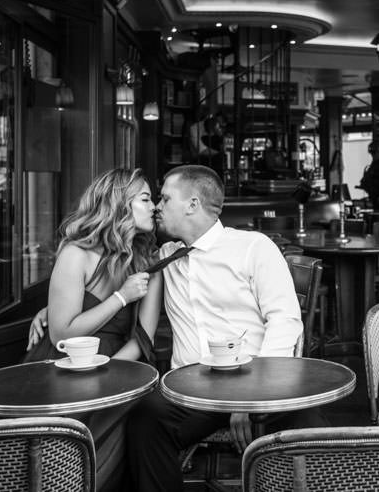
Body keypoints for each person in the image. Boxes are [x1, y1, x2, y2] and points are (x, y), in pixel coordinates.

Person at [125, 164, 325, 492]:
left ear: (192, 204)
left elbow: (285, 320)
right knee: (145, 418)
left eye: (164, 198)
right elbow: (112, 273)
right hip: (192, 389)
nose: (158, 207)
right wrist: (55, 302)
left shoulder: (253, 247)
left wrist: (251, 399)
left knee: (307, 424)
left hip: (256, 380)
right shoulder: (166, 255)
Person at [24, 167, 163, 491]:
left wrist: (110, 376)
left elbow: (142, 339)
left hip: (119, 368)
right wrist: (120, 297)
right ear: (119, 204)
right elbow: (61, 336)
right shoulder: (77, 254)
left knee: (134, 423)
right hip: (61, 368)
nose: (154, 206)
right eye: (145, 199)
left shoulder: (148, 261)